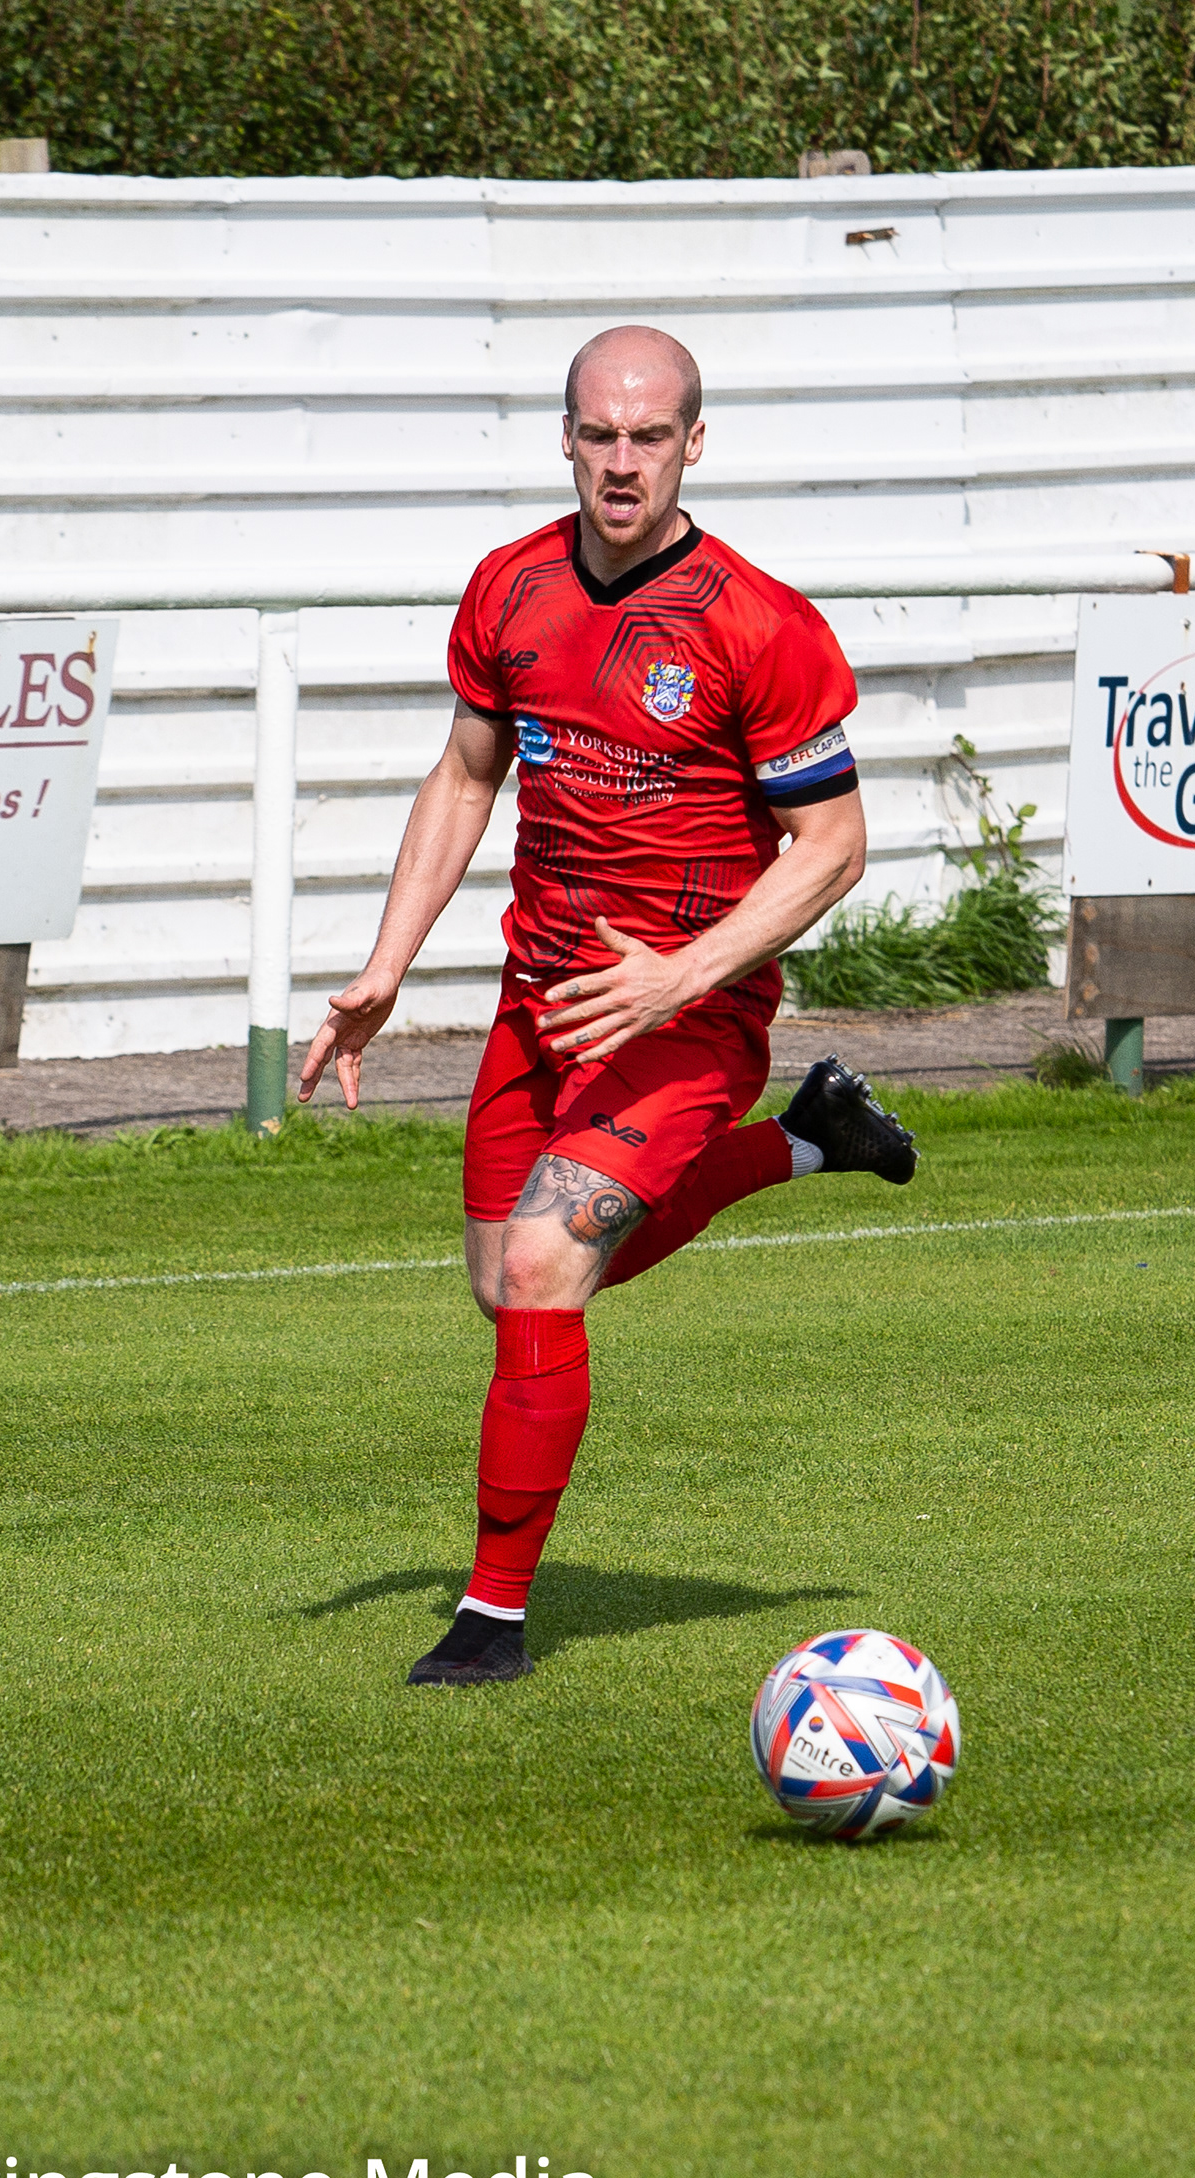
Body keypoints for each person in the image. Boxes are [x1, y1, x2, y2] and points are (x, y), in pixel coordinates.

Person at [297, 324, 918, 1686]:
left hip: (687, 1017)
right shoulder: (511, 589)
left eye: (648, 435)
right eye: (598, 434)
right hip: (542, 1002)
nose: (621, 461)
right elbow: (467, 776)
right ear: (565, 440)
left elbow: (833, 847)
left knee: (542, 1267)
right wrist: (385, 969)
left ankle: (492, 1619)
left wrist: (682, 977)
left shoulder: (759, 625)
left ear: (695, 442)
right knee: (506, 1286)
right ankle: (808, 1137)